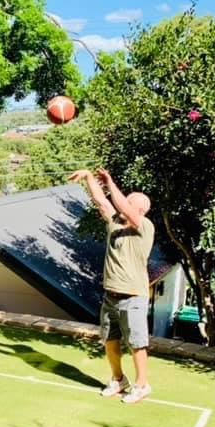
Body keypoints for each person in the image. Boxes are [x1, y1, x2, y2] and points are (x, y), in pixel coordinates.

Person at [68, 168, 155, 404]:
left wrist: (110, 181)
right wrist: (88, 177)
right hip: (110, 296)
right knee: (110, 340)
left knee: (136, 343)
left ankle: (142, 385)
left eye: (129, 202)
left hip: (133, 296)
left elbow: (122, 206)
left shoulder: (144, 227)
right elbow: (101, 200)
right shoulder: (115, 222)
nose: (123, 203)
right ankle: (118, 380)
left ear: (140, 210)